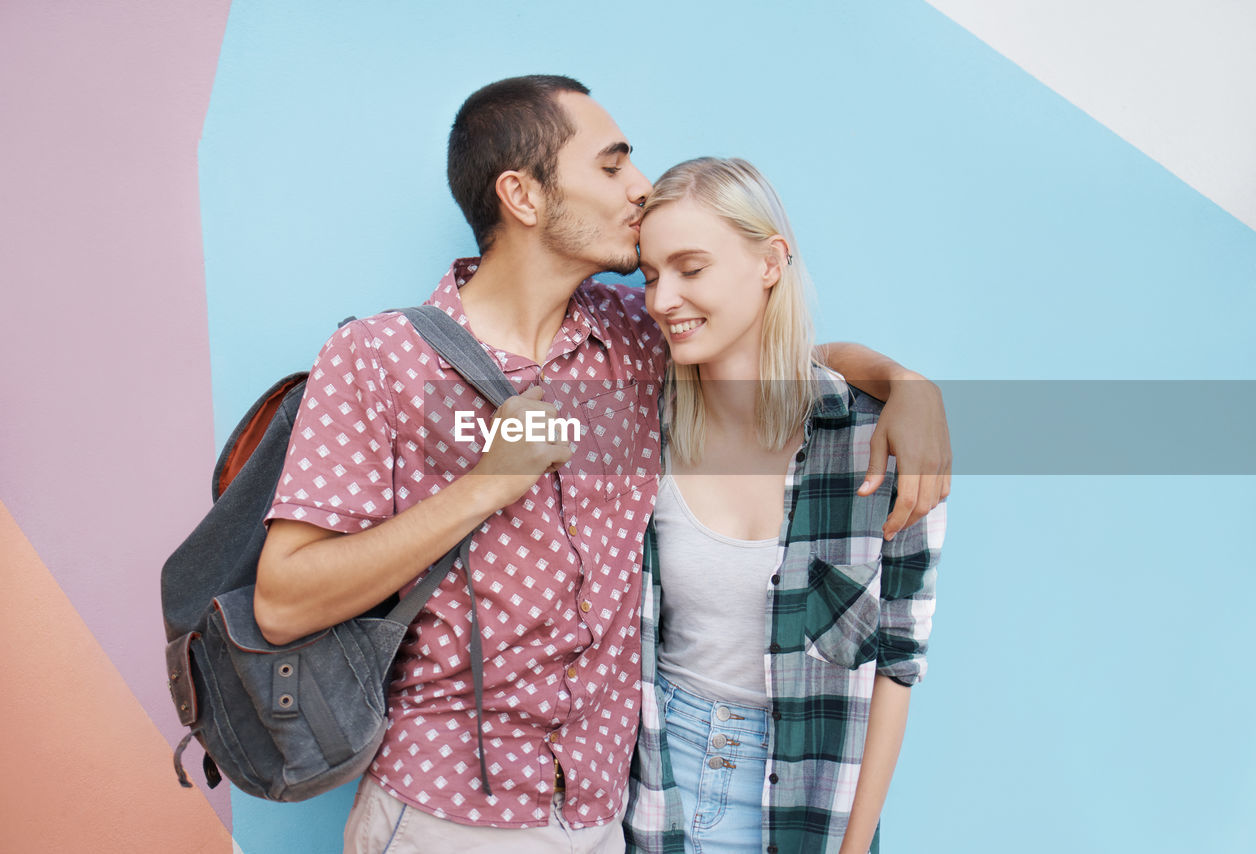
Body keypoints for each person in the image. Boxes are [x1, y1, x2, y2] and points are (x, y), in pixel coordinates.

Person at [253, 76, 949, 852]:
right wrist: (488, 484)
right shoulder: (378, 359)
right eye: (613, 166)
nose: (640, 188)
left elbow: (769, 352)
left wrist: (904, 385)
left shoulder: (636, 339)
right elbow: (283, 602)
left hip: (608, 821)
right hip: (443, 815)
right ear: (522, 195)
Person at [623, 157, 945, 854]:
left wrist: (854, 848)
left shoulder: (879, 436)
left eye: (691, 268)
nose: (660, 299)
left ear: (770, 262)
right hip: (653, 787)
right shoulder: (642, 423)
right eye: (650, 275)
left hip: (806, 798)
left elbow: (898, 661)